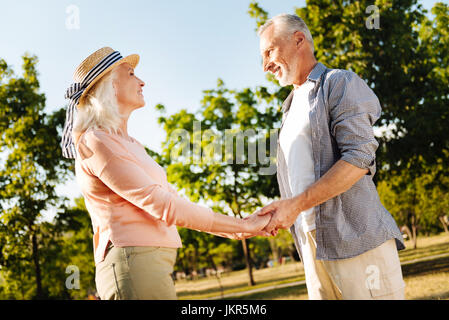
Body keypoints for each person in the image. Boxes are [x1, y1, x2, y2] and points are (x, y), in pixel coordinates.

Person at [60, 47, 270, 300]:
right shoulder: (97, 142)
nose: (142, 81)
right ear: (111, 85)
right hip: (134, 264)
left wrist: (239, 229)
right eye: (131, 74)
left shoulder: (132, 144)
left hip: (150, 264)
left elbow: (176, 201)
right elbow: (164, 206)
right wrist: (242, 226)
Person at [255, 14, 406, 300]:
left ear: (299, 40)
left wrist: (295, 204)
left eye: (269, 51)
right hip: (312, 242)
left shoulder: (338, 83)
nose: (266, 65)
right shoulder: (289, 109)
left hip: (354, 238)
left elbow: (358, 158)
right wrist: (282, 212)